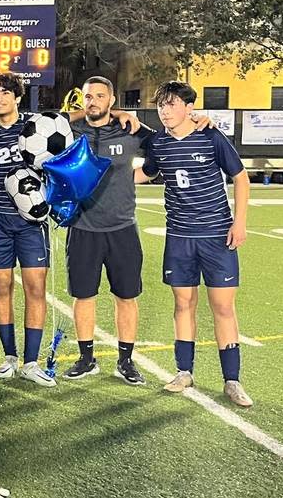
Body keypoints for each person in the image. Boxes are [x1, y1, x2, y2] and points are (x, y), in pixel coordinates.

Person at [135, 81, 253, 407]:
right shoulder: (158, 143)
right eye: (161, 105)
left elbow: (240, 178)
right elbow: (143, 174)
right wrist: (99, 175)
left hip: (217, 236)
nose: (165, 110)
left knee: (223, 307)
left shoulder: (211, 136)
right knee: (183, 304)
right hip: (179, 237)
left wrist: (239, 222)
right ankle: (184, 372)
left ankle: (232, 380)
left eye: (171, 104)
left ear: (190, 108)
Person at [62, 76, 150, 385]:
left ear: (111, 100)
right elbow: (43, 122)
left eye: (100, 96)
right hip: (82, 227)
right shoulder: (70, 130)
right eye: (88, 97)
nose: (93, 101)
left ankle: (125, 361)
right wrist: (91, 113)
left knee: (126, 296)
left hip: (122, 228)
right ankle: (86, 359)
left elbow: (159, 150)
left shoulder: (129, 130)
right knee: (83, 295)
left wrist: (137, 176)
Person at [0, 72, 55, 387]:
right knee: (1, 288)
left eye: (5, 92)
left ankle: (31, 362)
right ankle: (10, 357)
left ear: (17, 97)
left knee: (35, 288)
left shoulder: (36, 127)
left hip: (32, 222)